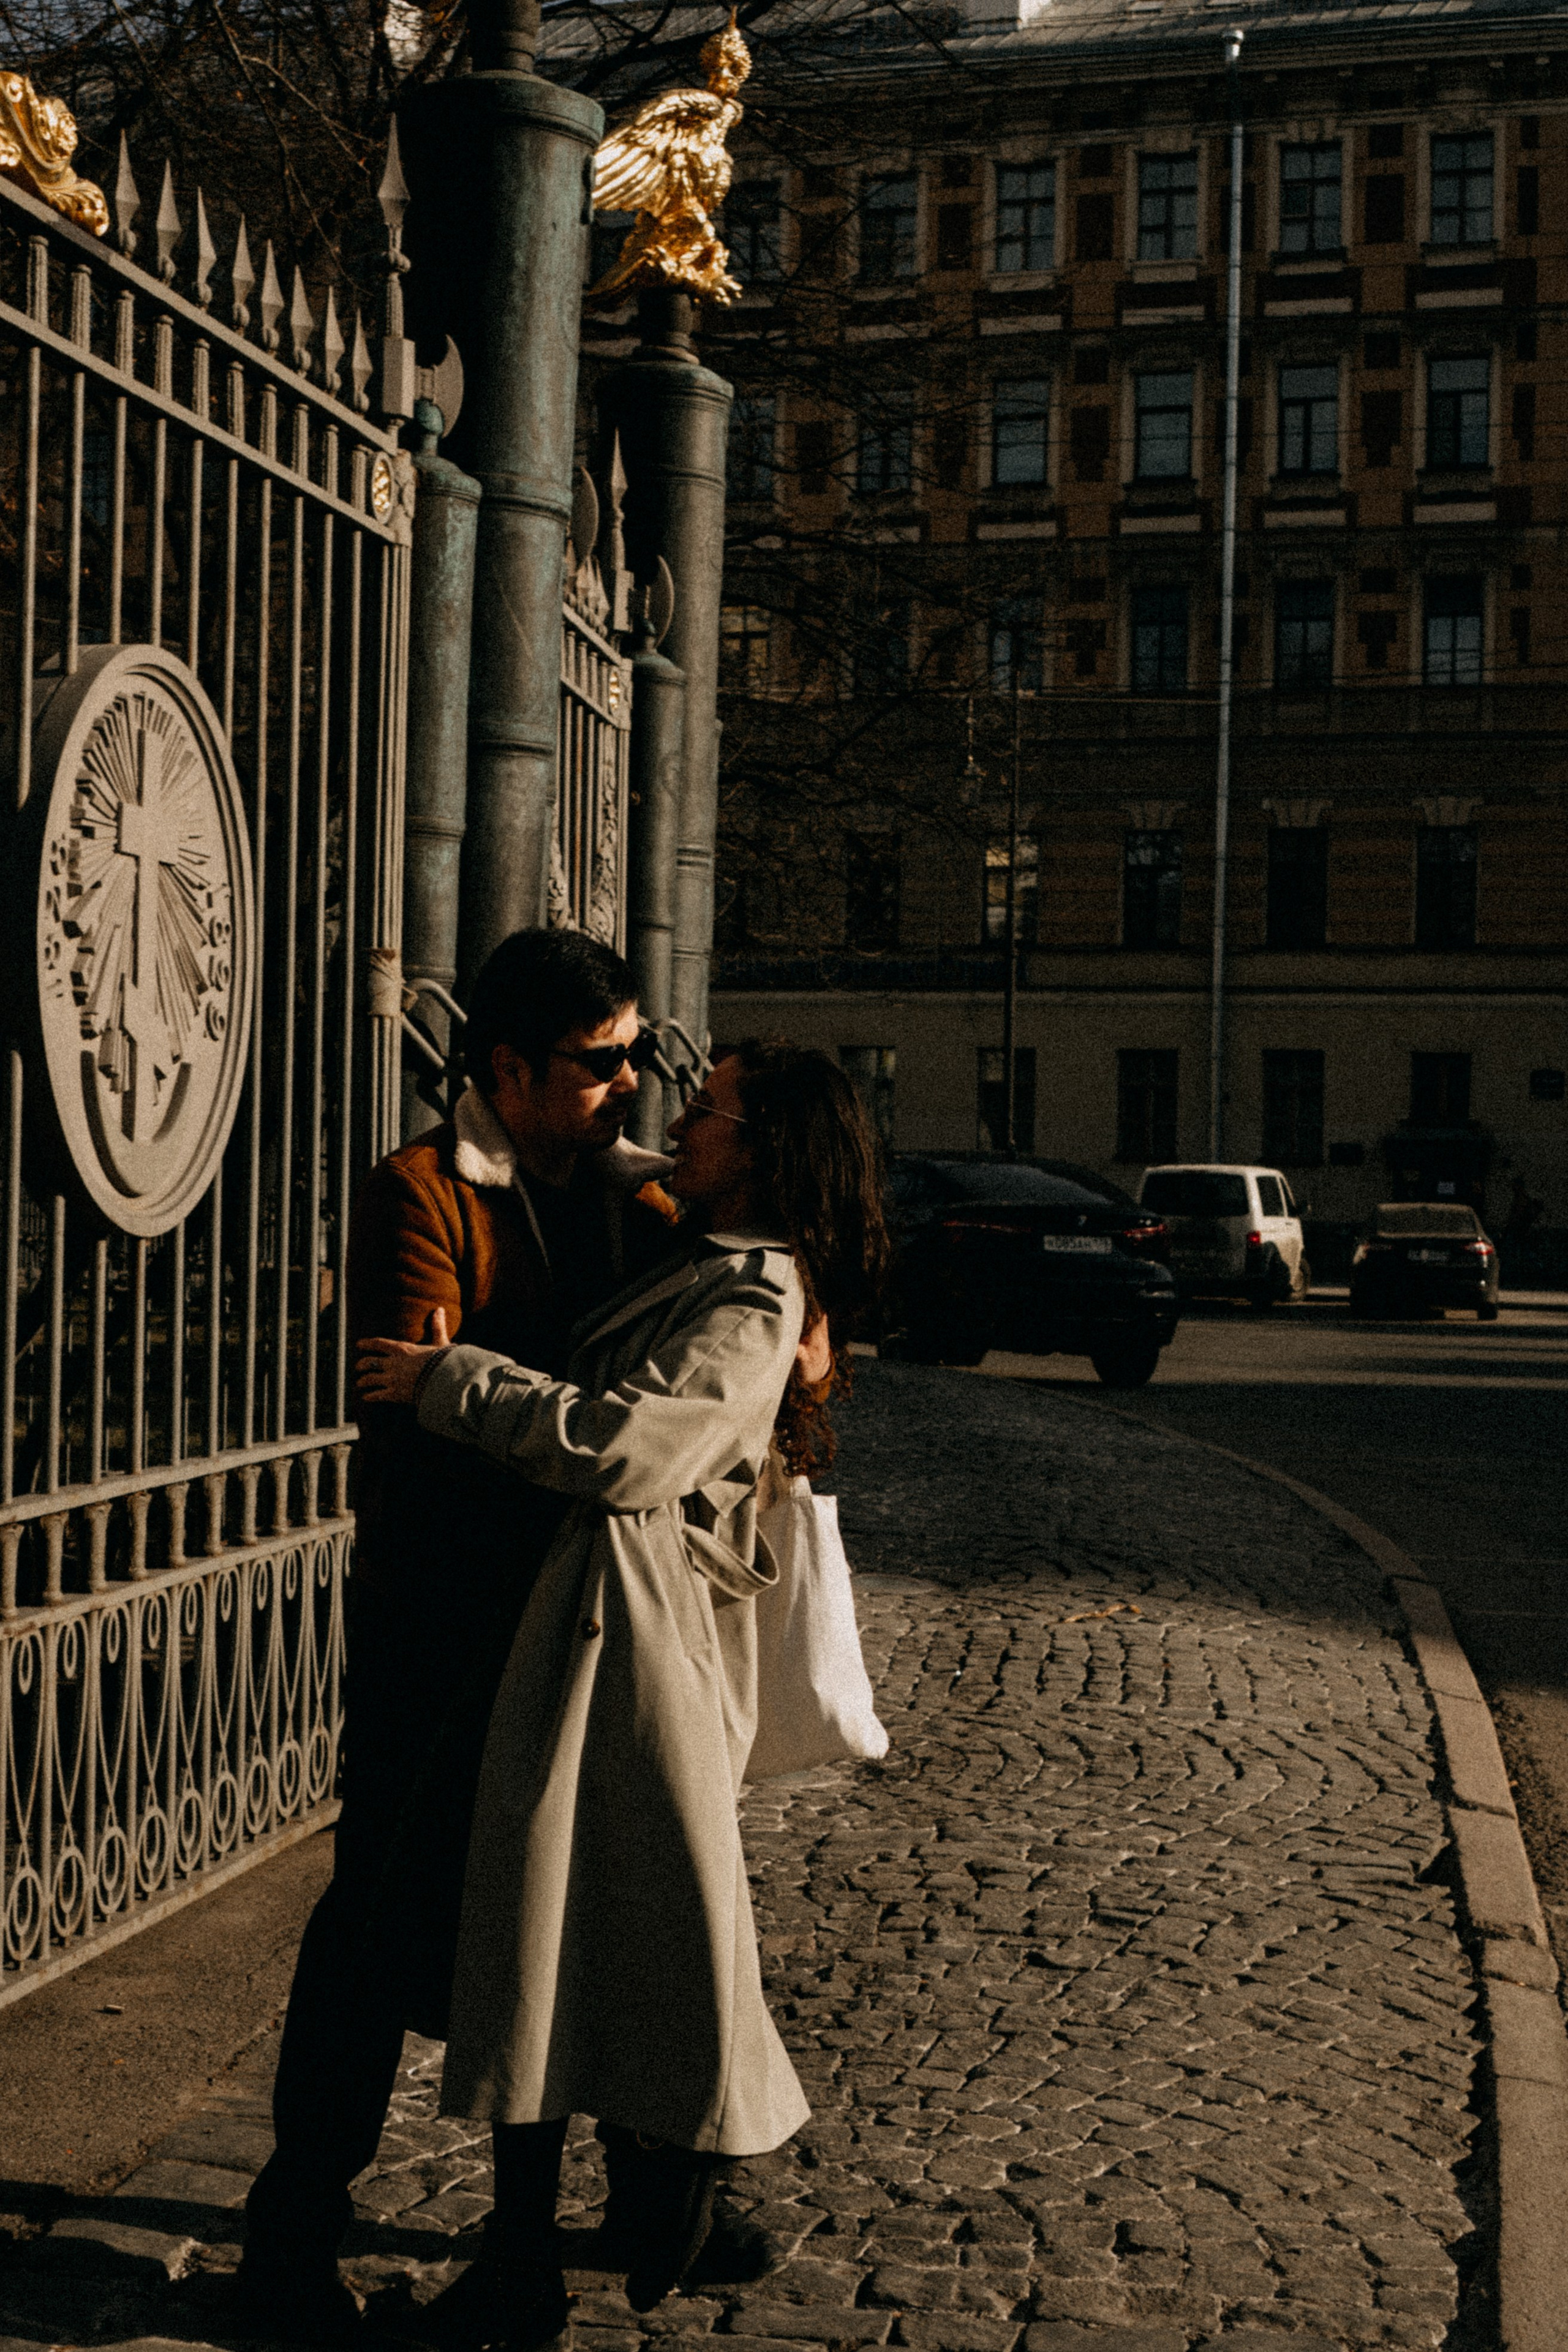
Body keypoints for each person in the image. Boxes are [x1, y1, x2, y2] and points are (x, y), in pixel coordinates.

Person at [356, 1041, 889, 2352]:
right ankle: (625, 2219)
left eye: (706, 1112)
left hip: (624, 1651)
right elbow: (639, 1173)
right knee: (560, 1950)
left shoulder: (754, 1295)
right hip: (589, 1636)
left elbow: (628, 1447)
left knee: (563, 1946)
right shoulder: (715, 1252)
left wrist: (449, 1380)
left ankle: (578, 2241)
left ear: (760, 1151)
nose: (675, 1121)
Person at [239, 930, 676, 2338]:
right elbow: (412, 1422)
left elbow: (687, 1364)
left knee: (569, 1924)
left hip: (582, 1629)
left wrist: (494, 1387)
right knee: (371, 1932)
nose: (629, 1083)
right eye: (600, 1062)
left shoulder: (633, 1194)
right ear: (507, 1068)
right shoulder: (419, 1192)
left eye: (633, 1055)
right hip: (436, 1634)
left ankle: (572, 2233)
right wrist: (576, 1432)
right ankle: (291, 2241)